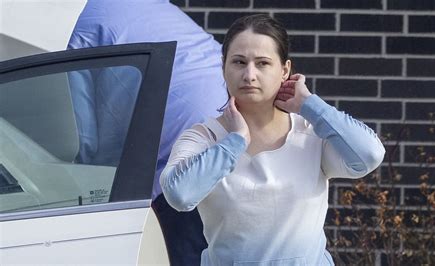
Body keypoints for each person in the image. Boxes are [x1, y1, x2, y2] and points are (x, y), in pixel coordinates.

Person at [160, 14, 386, 265]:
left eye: (263, 63)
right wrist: (234, 143)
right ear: (223, 67)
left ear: (285, 70)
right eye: (239, 62)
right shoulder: (205, 137)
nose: (249, 74)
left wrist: (312, 106)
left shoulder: (311, 134)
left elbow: (369, 155)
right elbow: (179, 195)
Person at [67, 0, 227, 265]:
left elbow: (83, 141)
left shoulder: (76, 30)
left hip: (179, 159)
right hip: (236, 127)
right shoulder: (149, 4)